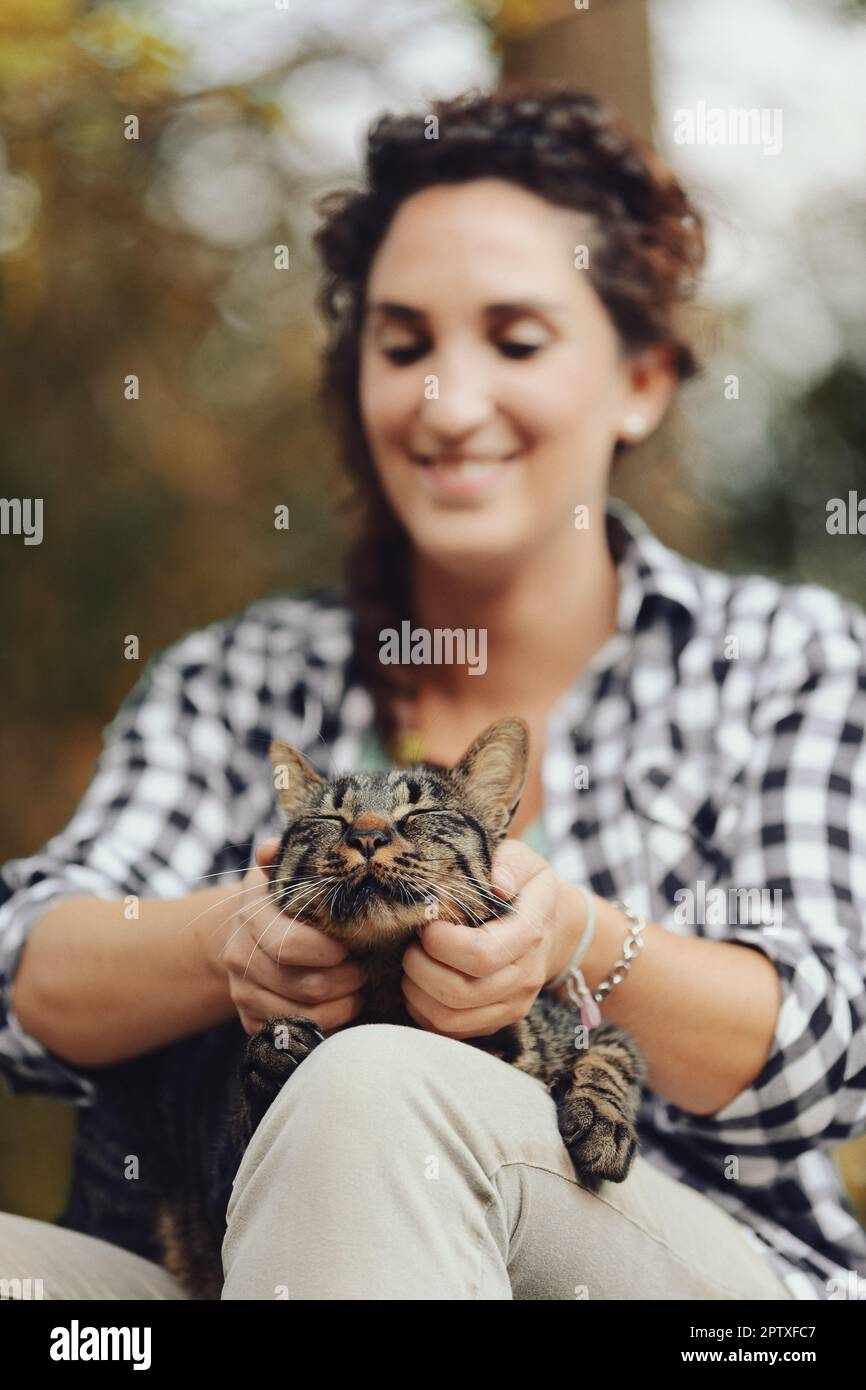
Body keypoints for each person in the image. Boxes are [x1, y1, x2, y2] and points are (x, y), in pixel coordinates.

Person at [2, 85, 865, 1302]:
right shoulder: (240, 677)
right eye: (402, 344)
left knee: (368, 1091)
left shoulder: (782, 657)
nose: (446, 404)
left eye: (514, 340)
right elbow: (29, 970)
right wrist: (229, 940)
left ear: (642, 380)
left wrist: (576, 939)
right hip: (246, 1259)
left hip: (681, 1279)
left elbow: (825, 1046)